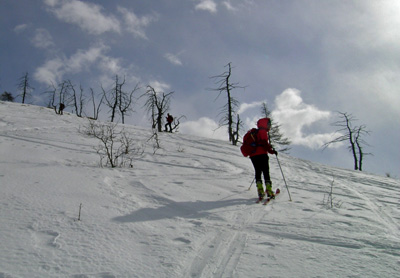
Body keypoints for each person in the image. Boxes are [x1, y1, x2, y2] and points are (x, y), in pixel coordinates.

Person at [249, 118, 278, 200]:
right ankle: (269, 190)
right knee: (265, 171)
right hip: (262, 154)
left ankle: (260, 190)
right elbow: (264, 143)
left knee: (258, 171)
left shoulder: (254, 132)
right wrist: (271, 151)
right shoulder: (263, 132)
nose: (270, 126)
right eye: (269, 124)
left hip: (253, 155)